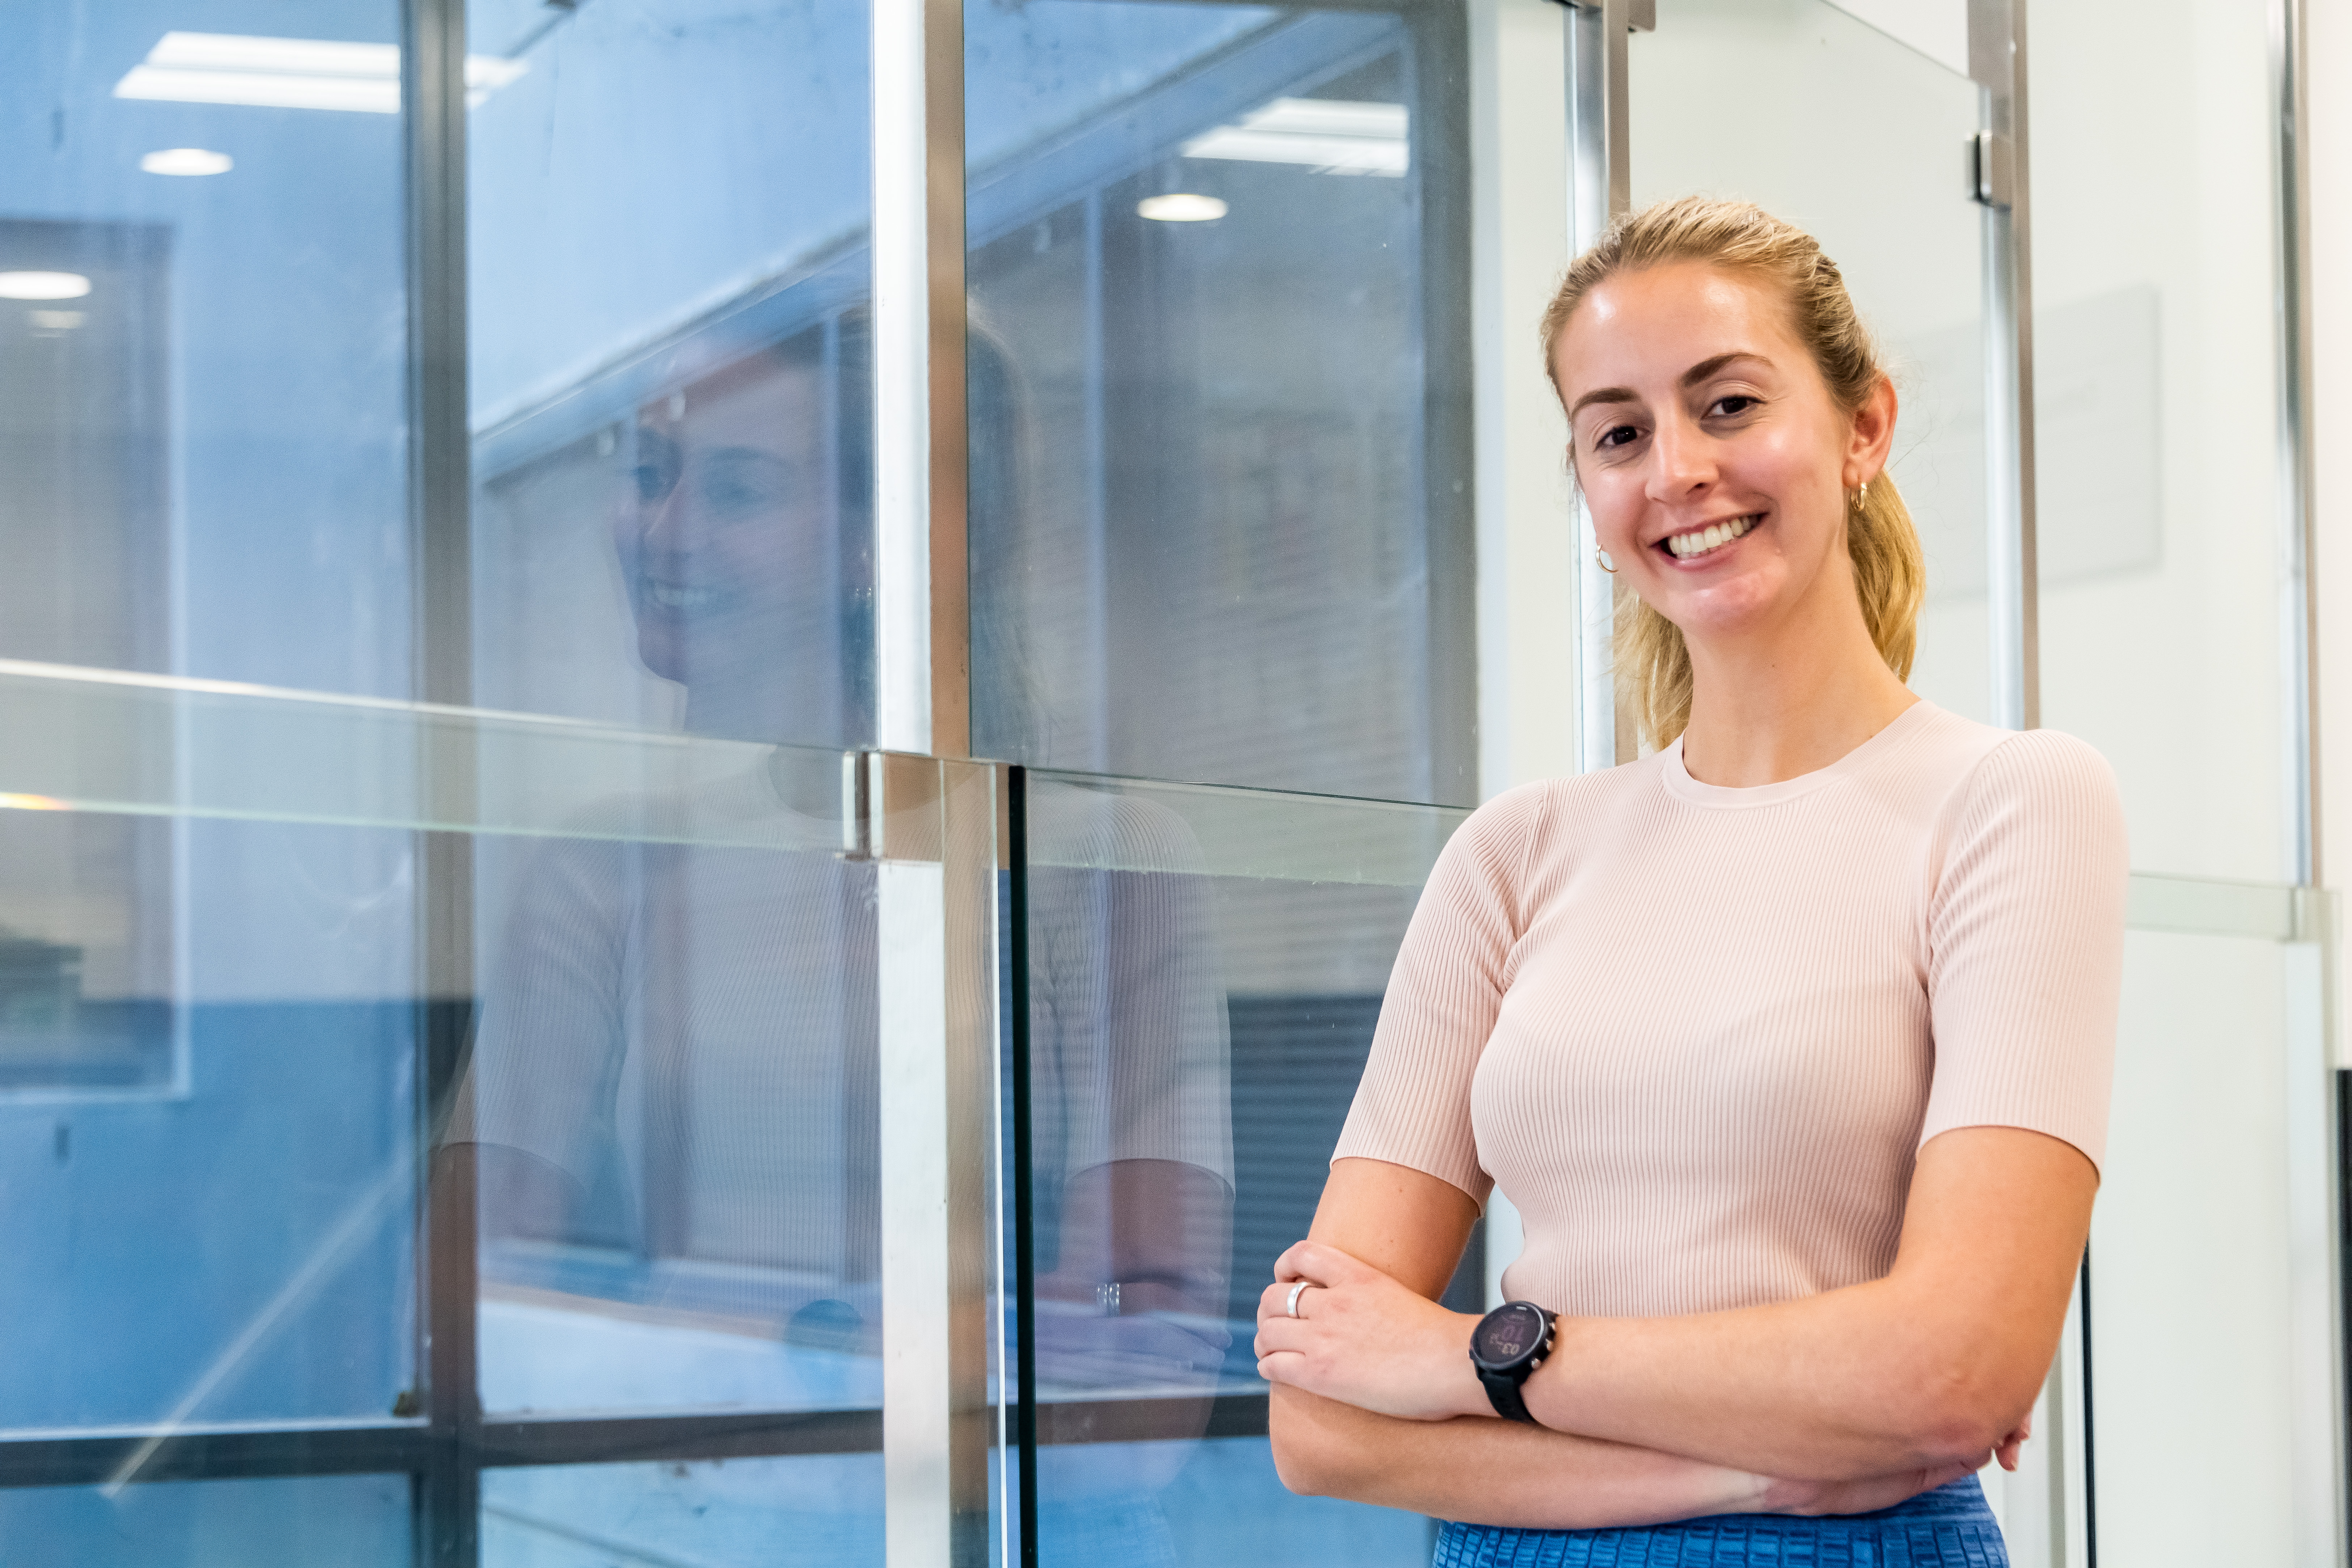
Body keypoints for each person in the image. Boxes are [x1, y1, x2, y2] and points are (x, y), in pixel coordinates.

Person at [1253, 196, 2128, 1563]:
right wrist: (1742, 1469)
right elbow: (1317, 1420)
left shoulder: (2012, 801)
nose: (1676, 470)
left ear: (1862, 429)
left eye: (1726, 405)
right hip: (1566, 1539)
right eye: (1617, 433)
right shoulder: (1514, 851)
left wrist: (1463, 1361)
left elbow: (1952, 1376)